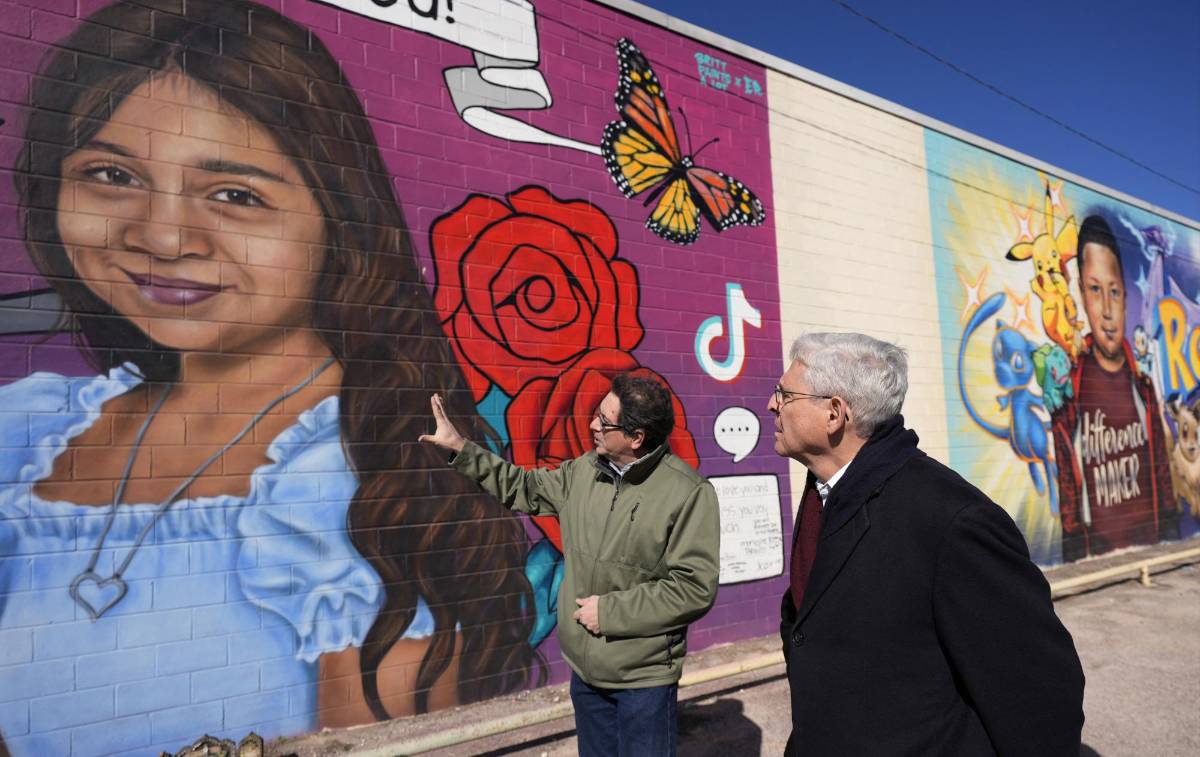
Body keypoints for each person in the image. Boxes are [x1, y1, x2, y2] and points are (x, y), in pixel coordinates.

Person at [0, 1, 537, 753]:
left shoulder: (360, 467)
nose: (160, 236)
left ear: (336, 216)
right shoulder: (29, 431)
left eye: (235, 195)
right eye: (111, 175)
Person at [771, 332, 1084, 756]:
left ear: (834, 414)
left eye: (785, 394)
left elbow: (1038, 691)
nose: (773, 405)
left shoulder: (953, 521)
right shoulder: (826, 492)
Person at [420, 373, 720, 757]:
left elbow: (693, 589)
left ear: (636, 437)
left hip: (642, 679)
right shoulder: (582, 472)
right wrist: (460, 449)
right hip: (586, 673)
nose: (593, 425)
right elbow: (520, 486)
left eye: (604, 420)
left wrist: (609, 612)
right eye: (596, 413)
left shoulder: (688, 493)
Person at [1051, 215, 1179, 560]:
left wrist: (1170, 539)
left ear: (1125, 296)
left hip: (1154, 555)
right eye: (1095, 290)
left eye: (1114, 292)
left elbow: (1165, 485)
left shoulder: (1144, 386)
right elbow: (1068, 500)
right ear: (1080, 293)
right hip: (1093, 559)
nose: (1107, 310)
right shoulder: (1068, 391)